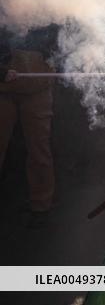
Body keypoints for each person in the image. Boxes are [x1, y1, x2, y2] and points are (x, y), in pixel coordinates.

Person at [0, 24, 59, 228]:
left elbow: (57, 41)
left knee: (39, 149)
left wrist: (52, 59)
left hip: (37, 89)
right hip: (3, 88)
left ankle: (41, 205)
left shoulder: (50, 4)